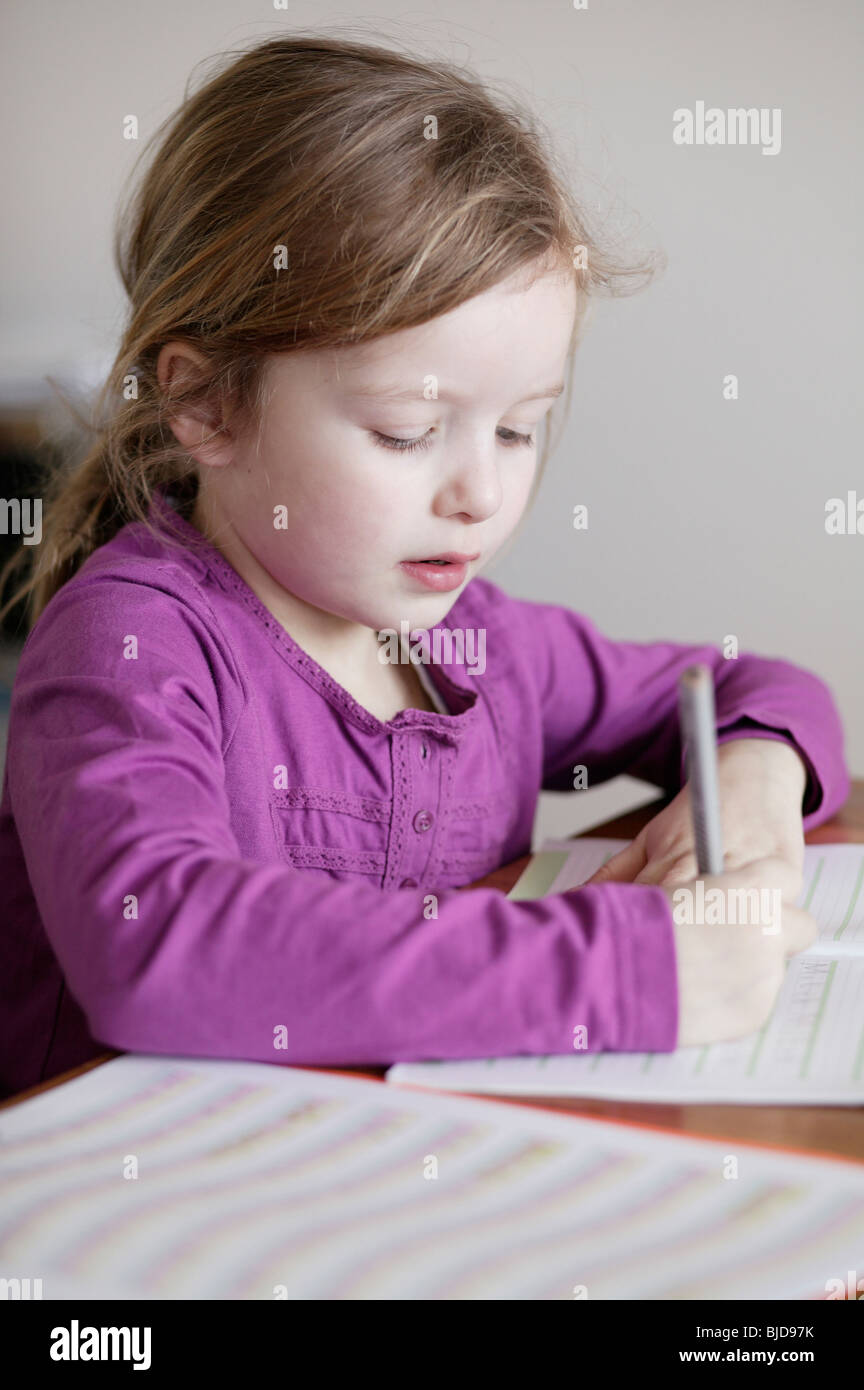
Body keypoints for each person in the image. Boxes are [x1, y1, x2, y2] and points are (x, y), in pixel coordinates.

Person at [0, 35, 847, 1099]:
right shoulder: (131, 643)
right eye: (409, 430)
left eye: (522, 428)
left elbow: (759, 687)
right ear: (207, 402)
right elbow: (154, 941)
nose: (481, 495)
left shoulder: (479, 645)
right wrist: (627, 965)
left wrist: (754, 782)